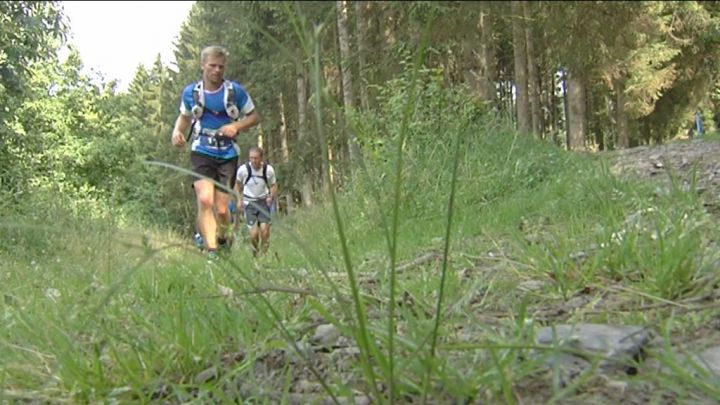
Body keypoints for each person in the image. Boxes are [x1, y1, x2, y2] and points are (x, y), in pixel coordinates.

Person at [171, 45, 260, 260]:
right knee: (204, 199)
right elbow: (184, 117)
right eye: (212, 66)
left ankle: (223, 240)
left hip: (227, 154)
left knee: (221, 208)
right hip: (201, 150)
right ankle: (211, 251)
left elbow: (254, 116)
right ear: (203, 66)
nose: (217, 70)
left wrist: (236, 127)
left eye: (221, 67)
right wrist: (177, 132)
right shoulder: (191, 93)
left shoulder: (234, 92)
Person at [234, 146, 278, 257]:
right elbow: (237, 185)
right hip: (249, 203)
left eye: (256, 158)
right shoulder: (243, 170)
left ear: (261, 158)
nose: (253, 161)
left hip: (263, 202)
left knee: (265, 232)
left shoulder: (268, 170)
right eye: (251, 158)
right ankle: (255, 254)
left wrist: (271, 196)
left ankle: (264, 255)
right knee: (253, 234)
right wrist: (239, 200)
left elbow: (273, 185)